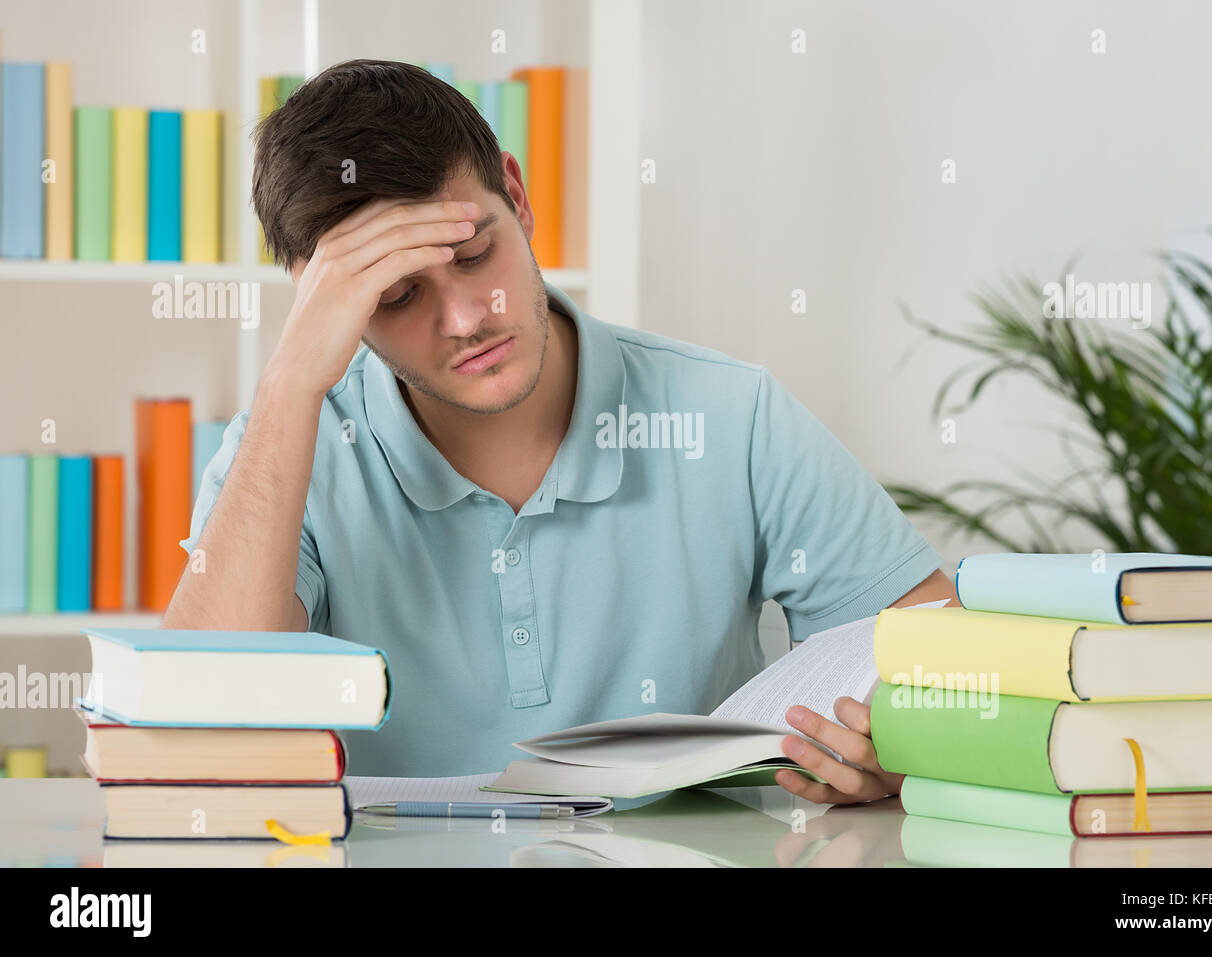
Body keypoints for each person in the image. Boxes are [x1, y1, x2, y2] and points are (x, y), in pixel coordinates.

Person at [162, 59, 960, 804]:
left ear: (516, 193)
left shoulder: (729, 413)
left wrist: (893, 751)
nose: (469, 319)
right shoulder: (285, 450)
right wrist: (291, 380)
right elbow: (200, 723)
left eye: (475, 254)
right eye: (398, 296)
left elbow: (938, 659)